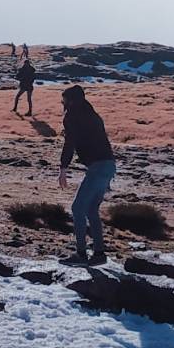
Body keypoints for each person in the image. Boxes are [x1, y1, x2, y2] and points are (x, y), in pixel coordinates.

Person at [58, 85, 116, 264]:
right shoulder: (93, 115)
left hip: (98, 167)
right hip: (109, 166)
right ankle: (99, 254)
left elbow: (70, 142)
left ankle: (81, 254)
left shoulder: (72, 116)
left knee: (77, 209)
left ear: (71, 100)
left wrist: (63, 168)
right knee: (91, 210)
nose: (63, 103)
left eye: (64, 99)